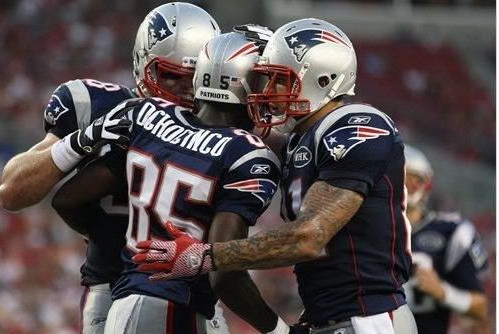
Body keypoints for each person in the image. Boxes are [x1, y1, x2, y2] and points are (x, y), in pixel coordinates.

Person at [133, 18, 418, 334]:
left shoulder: (357, 125)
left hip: (369, 319)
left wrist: (206, 256)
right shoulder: (299, 141)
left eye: (279, 80)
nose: (267, 92)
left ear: (324, 80)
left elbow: (309, 236)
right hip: (331, 317)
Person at [0, 3, 222, 333]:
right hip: (114, 290)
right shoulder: (101, 106)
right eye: (173, 76)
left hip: (199, 295)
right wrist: (83, 139)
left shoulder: (222, 123)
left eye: (198, 79)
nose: (187, 90)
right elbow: (11, 192)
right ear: (144, 64)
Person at [54, 31, 295, 333]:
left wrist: (110, 239)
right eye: (262, 82)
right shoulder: (248, 154)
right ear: (240, 84)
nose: (269, 92)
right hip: (172, 306)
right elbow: (224, 273)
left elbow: (65, 199)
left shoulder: (150, 115)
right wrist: (280, 330)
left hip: (125, 302)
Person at [401, 144, 488, 334]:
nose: (406, 186)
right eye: (399, 177)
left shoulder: (450, 232)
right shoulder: (361, 227)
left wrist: (442, 292)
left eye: (412, 179)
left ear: (426, 184)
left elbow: (480, 308)